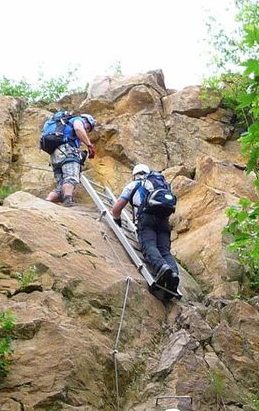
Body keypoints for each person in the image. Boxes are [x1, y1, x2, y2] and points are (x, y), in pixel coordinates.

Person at [110, 164, 179, 293]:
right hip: (164, 221)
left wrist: (117, 219)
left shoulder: (134, 185)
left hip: (146, 219)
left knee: (148, 245)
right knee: (165, 251)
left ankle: (161, 267)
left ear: (135, 175)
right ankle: (174, 274)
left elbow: (117, 208)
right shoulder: (162, 185)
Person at [45, 113, 96, 207]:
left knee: (61, 186)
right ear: (86, 120)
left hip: (55, 155)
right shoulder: (78, 120)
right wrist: (89, 145)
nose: (87, 130)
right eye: (88, 127)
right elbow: (78, 128)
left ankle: (47, 201)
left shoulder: (64, 125)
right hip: (67, 151)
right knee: (71, 176)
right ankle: (68, 200)